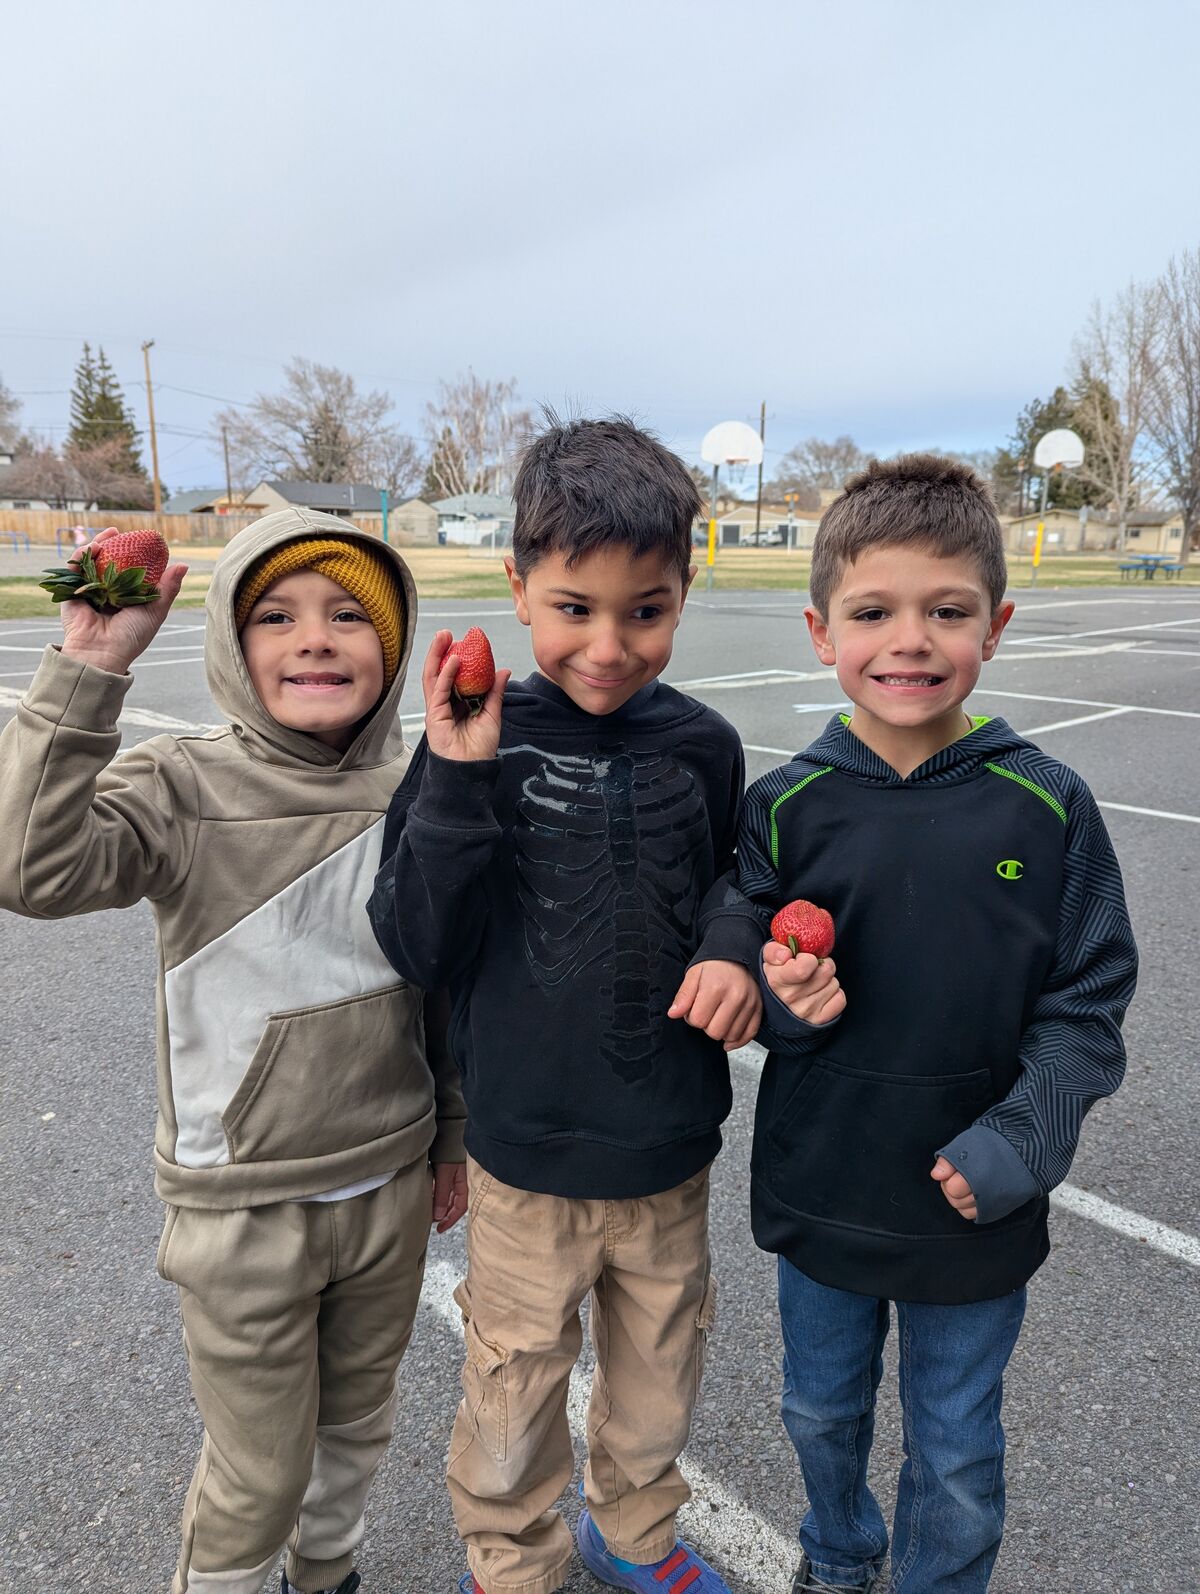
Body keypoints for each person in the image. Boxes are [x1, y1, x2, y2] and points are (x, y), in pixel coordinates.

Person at [0, 509, 467, 1594]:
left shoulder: (422, 791)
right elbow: (31, 866)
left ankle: (330, 1572)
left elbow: (439, 989)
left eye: (351, 614)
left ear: (392, 650)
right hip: (242, 1204)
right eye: (277, 615)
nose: (315, 637)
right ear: (229, 641)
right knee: (259, 1472)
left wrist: (449, 1132)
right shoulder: (183, 786)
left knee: (356, 1428)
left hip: (388, 1185)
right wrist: (88, 667)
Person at [369, 415, 765, 1594]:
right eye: (573, 607)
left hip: (668, 1150)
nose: (607, 644)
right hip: (527, 1161)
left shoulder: (705, 745)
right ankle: (511, 1558)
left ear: (683, 593)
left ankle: (632, 1534)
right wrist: (456, 772)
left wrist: (740, 945)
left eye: (645, 610)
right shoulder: (472, 736)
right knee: (515, 1382)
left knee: (658, 1373)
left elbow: (740, 878)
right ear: (518, 587)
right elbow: (414, 940)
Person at [737, 454, 1138, 1593]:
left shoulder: (1049, 802)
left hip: (979, 1199)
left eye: (945, 611)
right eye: (873, 612)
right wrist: (782, 998)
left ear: (995, 625)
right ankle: (837, 1550)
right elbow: (750, 972)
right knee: (817, 1412)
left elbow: (1090, 999)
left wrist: (1026, 1137)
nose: (909, 640)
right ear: (822, 631)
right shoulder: (785, 806)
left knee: (957, 1450)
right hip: (823, 1186)